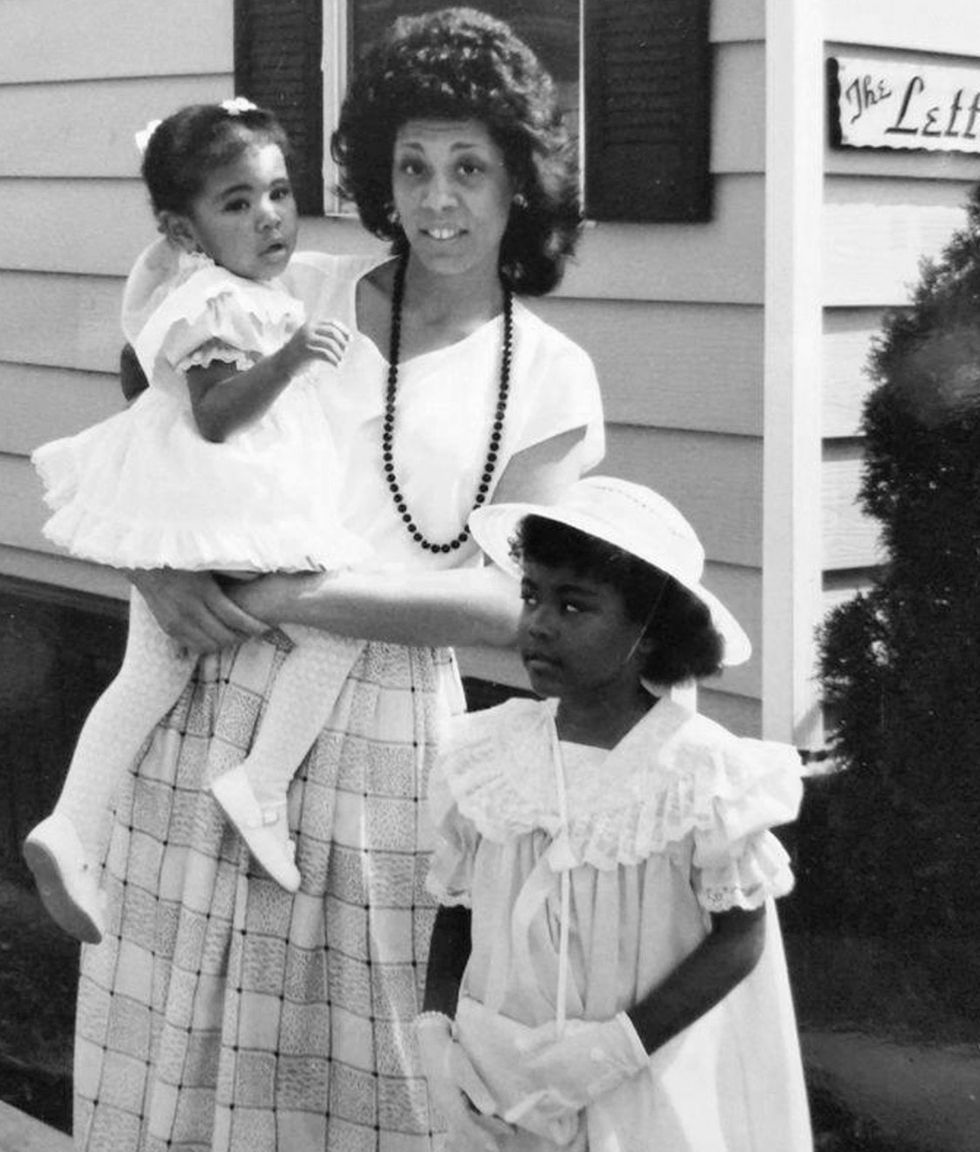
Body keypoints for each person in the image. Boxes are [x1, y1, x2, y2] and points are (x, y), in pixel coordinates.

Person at [72, 9, 604, 1152]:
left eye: (469, 166)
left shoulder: (551, 379)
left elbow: (515, 606)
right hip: (196, 708)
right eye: (410, 166)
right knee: (175, 1039)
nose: (435, 200)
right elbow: (149, 421)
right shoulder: (294, 288)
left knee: (351, 1066)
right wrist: (152, 566)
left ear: (521, 180)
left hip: (378, 743)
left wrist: (289, 598)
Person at [24, 100, 367, 943]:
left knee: (151, 672)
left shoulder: (217, 285)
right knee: (338, 629)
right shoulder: (220, 302)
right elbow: (216, 415)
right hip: (222, 505)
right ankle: (262, 782)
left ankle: (71, 824)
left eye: (280, 193)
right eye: (238, 202)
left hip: (188, 508)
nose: (271, 216)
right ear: (185, 228)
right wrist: (288, 360)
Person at [416, 476, 813, 1152]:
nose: (539, 622)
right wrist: (435, 1028)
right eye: (532, 595)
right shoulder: (487, 753)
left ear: (651, 633)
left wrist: (613, 1050)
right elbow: (457, 907)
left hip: (637, 1073)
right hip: (500, 1071)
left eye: (575, 606)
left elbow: (741, 936)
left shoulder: (697, 772)